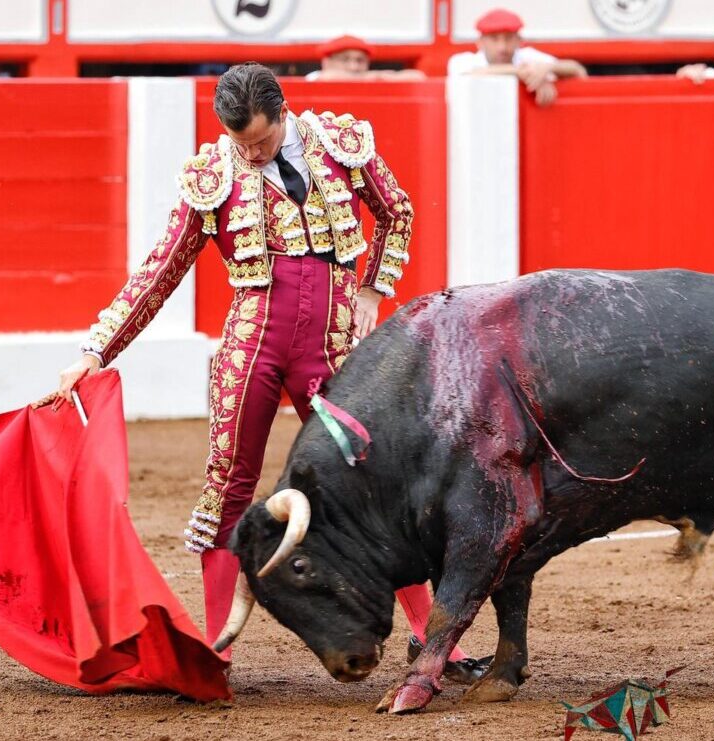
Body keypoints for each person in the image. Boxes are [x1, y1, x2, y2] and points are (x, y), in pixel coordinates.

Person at [45, 62, 483, 681]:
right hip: (252, 345)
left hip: (331, 347)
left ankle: (434, 639)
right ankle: (215, 652)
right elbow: (159, 271)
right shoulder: (215, 175)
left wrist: (371, 289)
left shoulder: (339, 145)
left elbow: (396, 211)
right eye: (238, 143)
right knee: (228, 487)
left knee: (375, 479)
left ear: (284, 115)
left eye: (260, 141)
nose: (249, 154)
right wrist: (95, 351)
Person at [447, 8, 587, 106]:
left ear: (520, 41)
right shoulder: (463, 60)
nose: (502, 47)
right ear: (480, 43)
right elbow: (469, 73)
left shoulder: (527, 57)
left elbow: (578, 70)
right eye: (494, 39)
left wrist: (546, 68)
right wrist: (524, 73)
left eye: (508, 39)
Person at [305, 34, 426, 81]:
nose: (353, 67)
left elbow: (418, 77)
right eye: (345, 59)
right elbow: (327, 78)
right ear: (326, 62)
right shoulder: (314, 77)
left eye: (360, 60)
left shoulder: (372, 78)